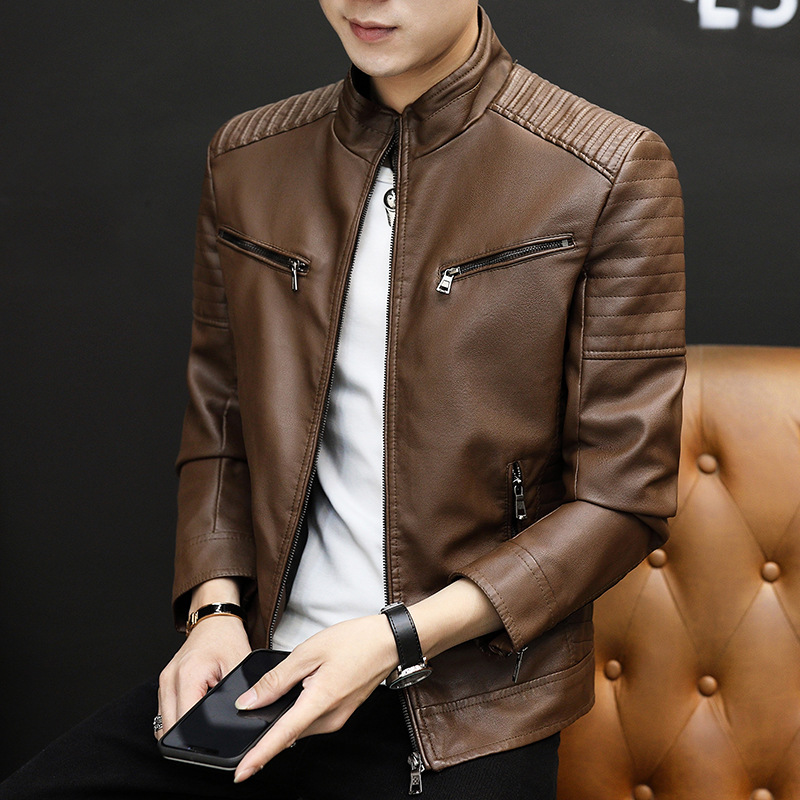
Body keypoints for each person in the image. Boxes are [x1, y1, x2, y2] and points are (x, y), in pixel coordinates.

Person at [0, 1, 685, 798]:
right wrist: (214, 612)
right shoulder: (248, 157)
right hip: (263, 677)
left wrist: (395, 638)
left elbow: (622, 501)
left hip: (463, 708)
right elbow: (222, 419)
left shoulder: (605, 167)